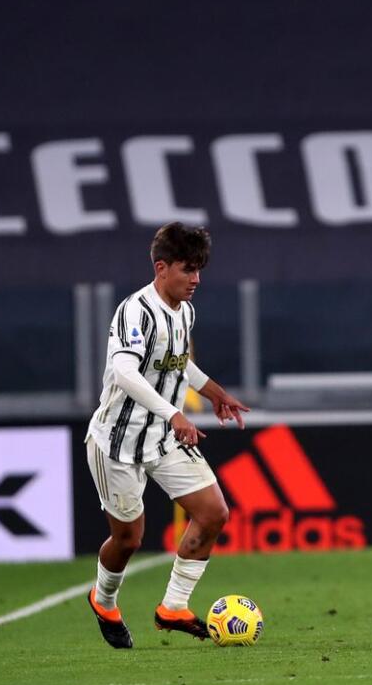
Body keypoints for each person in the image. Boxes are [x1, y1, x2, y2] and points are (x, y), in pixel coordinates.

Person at [84, 222, 249, 649]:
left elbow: (177, 362)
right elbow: (124, 371)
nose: (196, 279)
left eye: (199, 270)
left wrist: (214, 392)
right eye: (187, 269)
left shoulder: (185, 311)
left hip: (162, 437)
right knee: (129, 539)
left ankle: (173, 607)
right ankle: (104, 600)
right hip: (117, 443)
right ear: (162, 268)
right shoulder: (135, 311)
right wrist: (175, 413)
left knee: (213, 512)